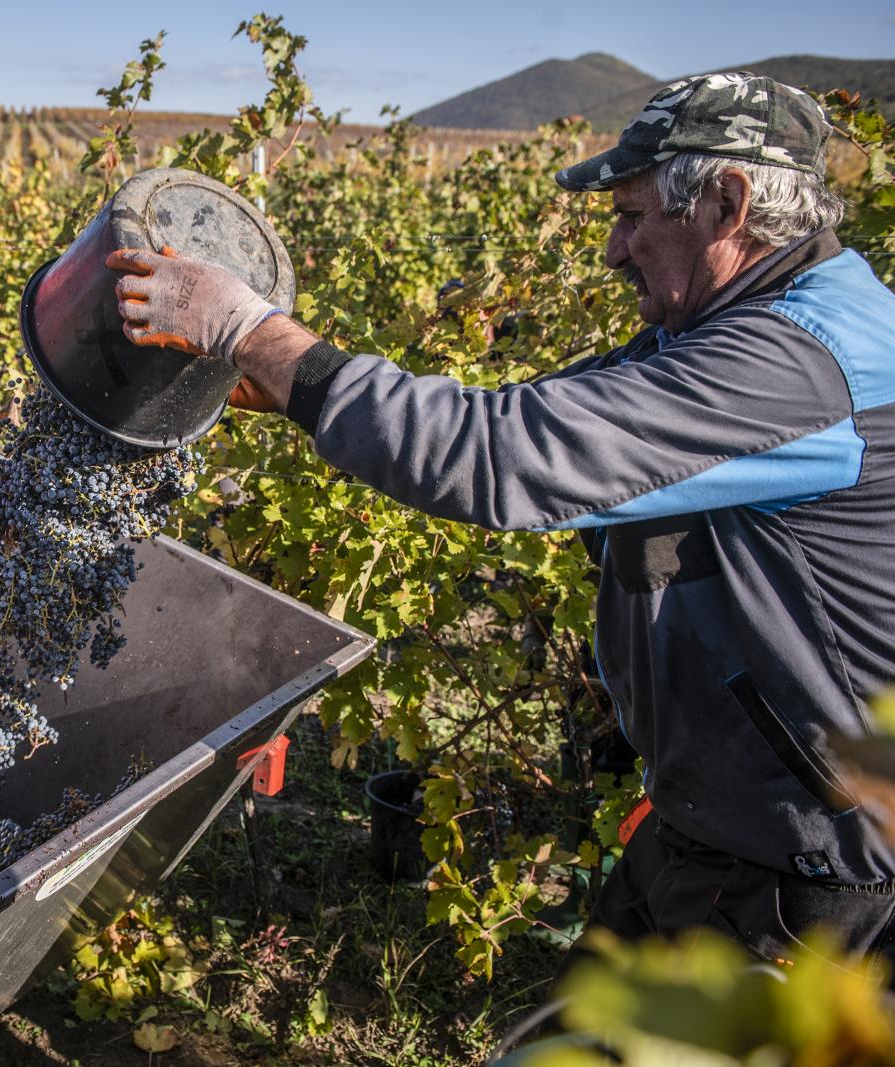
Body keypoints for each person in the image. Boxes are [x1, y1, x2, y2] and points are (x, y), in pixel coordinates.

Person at [107, 72, 895, 964]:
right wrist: (300, 391)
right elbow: (531, 413)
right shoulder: (739, 325)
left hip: (805, 883)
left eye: (633, 215)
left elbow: (505, 456)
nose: (613, 248)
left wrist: (249, 329)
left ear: (727, 202)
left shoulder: (799, 365)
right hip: (720, 831)